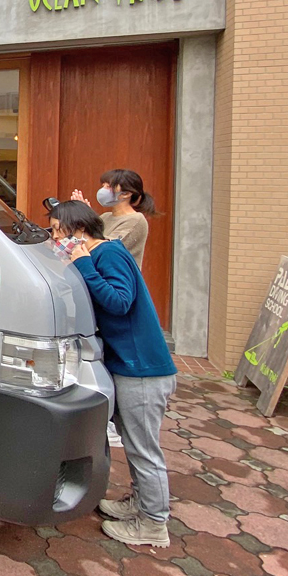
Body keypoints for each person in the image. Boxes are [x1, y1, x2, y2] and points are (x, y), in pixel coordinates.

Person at [49, 200, 178, 548]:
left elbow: (120, 301)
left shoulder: (109, 254)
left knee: (143, 450)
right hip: (130, 368)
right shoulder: (99, 255)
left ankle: (153, 523)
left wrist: (84, 264)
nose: (54, 239)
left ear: (77, 230)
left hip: (144, 371)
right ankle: (141, 503)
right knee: (135, 444)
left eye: (57, 231)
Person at [71, 168, 157, 270]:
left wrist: (87, 219)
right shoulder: (105, 217)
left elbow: (105, 248)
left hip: (117, 279)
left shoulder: (136, 219)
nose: (102, 190)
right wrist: (84, 216)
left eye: (108, 186)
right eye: (103, 186)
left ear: (126, 193)